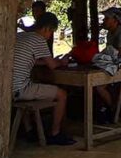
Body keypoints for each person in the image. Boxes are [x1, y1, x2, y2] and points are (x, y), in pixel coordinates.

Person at [11, 12, 76, 146]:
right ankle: (55, 133)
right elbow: (52, 66)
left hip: (9, 88)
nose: (50, 36)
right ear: (46, 28)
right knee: (61, 94)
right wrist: (61, 62)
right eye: (51, 32)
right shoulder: (39, 39)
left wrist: (44, 62)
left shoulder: (20, 36)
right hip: (20, 89)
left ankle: (30, 130)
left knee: (32, 85)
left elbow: (28, 60)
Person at [95, 7, 121, 123]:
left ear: (115, 20)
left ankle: (111, 109)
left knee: (99, 86)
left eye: (106, 19)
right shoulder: (110, 33)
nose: (104, 21)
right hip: (116, 65)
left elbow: (119, 55)